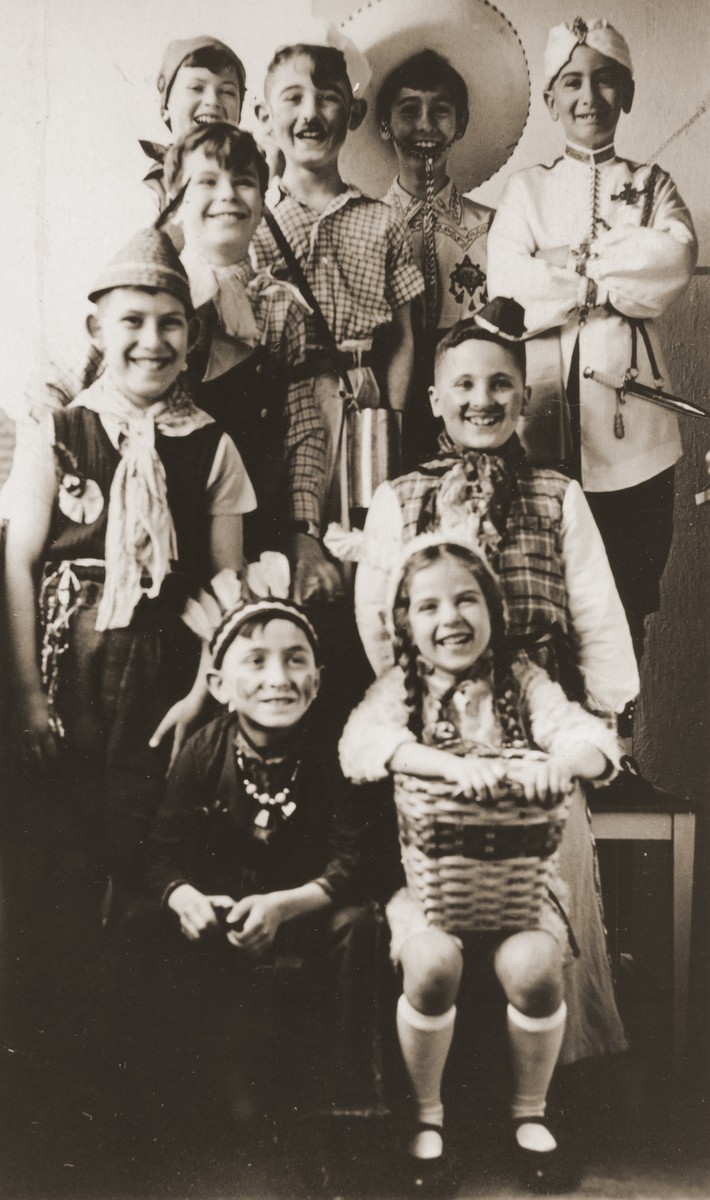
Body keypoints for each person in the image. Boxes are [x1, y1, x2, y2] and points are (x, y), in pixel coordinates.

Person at [344, 298, 635, 1066]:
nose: (483, 401)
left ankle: (547, 1079)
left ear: (524, 394)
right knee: (441, 909)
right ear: (436, 401)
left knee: (542, 905)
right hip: (434, 742)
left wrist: (605, 718)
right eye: (465, 386)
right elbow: (378, 618)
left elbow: (597, 611)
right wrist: (415, 707)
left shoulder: (556, 495)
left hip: (539, 731)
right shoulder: (398, 498)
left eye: (501, 384)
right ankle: (451, 1084)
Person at [3, 228, 255, 967]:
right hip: (64, 668)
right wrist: (25, 696)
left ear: (192, 334)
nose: (153, 340)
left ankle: (132, 1039)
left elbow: (226, 585)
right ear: (96, 331)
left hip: (164, 673)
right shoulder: (59, 432)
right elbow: (17, 561)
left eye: (170, 322)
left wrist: (204, 692)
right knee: (56, 850)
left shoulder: (212, 444)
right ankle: (54, 1045)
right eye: (132, 322)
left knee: (146, 842)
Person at [340, 535, 621, 1190]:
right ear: (405, 624)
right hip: (428, 885)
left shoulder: (523, 683)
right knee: (433, 964)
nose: (451, 620)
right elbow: (363, 746)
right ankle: (428, 1118)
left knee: (534, 966)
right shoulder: (399, 691)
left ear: (494, 610)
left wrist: (560, 762)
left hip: (520, 888)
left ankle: (530, 1112)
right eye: (429, 607)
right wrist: (442, 763)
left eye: (467, 600)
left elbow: (588, 738)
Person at [132, 554, 385, 1142]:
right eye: (256, 661)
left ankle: (346, 1110)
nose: (278, 678)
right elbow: (159, 849)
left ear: (317, 679)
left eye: (296, 660)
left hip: (305, 912)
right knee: (144, 923)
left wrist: (286, 906)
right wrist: (184, 896)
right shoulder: (202, 750)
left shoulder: (335, 752)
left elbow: (355, 860)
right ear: (219, 686)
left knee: (362, 923)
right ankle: (168, 1111)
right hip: (226, 915)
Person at [487, 17, 697, 662]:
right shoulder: (526, 191)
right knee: (549, 603)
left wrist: (568, 263)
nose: (589, 98)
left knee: (628, 605)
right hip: (544, 431)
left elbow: (672, 264)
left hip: (637, 437)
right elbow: (513, 291)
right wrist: (609, 273)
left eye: (606, 82)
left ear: (627, 93)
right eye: (572, 83)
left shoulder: (654, 183)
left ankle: (622, 755)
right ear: (551, 100)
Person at [339, 0, 529, 466]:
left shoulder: (496, 228)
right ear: (384, 124)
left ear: (459, 124)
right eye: (409, 110)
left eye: (440, 111)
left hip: (473, 408)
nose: (424, 126)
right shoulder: (360, 227)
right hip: (387, 408)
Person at [251, 21, 424, 529]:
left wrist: (387, 418)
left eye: (327, 97)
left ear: (354, 113)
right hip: (280, 406)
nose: (310, 113)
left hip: (363, 402)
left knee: (363, 539)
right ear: (264, 116)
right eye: (293, 98)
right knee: (284, 542)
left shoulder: (383, 218)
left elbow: (405, 336)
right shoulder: (255, 224)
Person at [160, 122, 337, 601]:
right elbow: (68, 381)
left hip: (252, 528)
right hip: (160, 523)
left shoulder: (281, 307)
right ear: (175, 200)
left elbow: (303, 428)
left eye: (243, 181)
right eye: (207, 181)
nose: (228, 194)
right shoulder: (155, 292)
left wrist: (305, 532)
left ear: (262, 204)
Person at [140, 35, 247, 211]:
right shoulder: (153, 190)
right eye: (196, 88)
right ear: (166, 107)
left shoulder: (255, 178)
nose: (212, 101)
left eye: (227, 91)